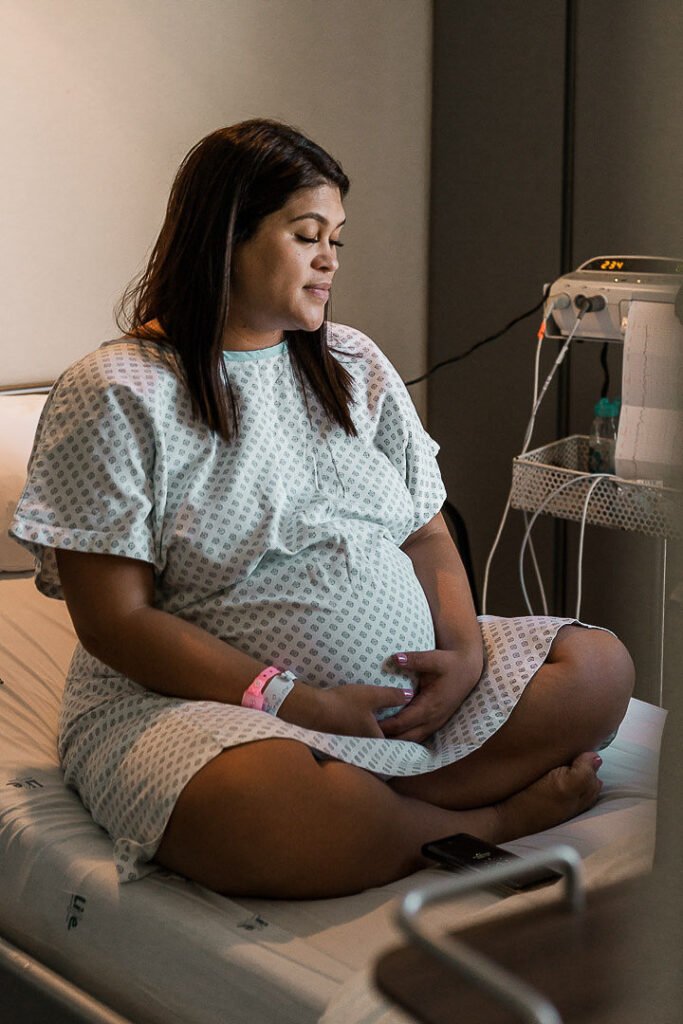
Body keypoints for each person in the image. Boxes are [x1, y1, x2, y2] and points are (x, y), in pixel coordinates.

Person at [10, 119, 634, 898]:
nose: (330, 259)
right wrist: (297, 702)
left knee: (596, 667)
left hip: (397, 713)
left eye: (337, 237)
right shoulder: (117, 392)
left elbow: (427, 529)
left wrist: (464, 654)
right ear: (225, 236)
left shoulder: (349, 362)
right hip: (206, 712)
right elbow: (116, 623)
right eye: (307, 235)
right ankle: (488, 823)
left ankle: (388, 812)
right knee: (270, 805)